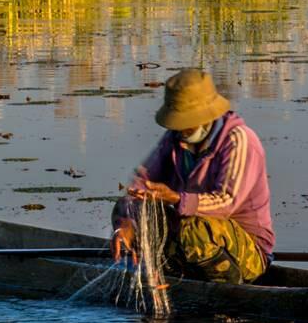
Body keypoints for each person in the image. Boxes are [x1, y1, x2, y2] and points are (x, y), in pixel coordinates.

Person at [111, 67, 274, 284]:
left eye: (186, 122)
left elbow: (225, 203)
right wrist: (125, 224)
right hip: (190, 243)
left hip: (246, 253)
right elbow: (142, 182)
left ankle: (227, 290)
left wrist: (176, 199)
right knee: (127, 207)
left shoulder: (239, 141)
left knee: (195, 230)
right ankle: (167, 276)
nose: (181, 130)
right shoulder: (176, 138)